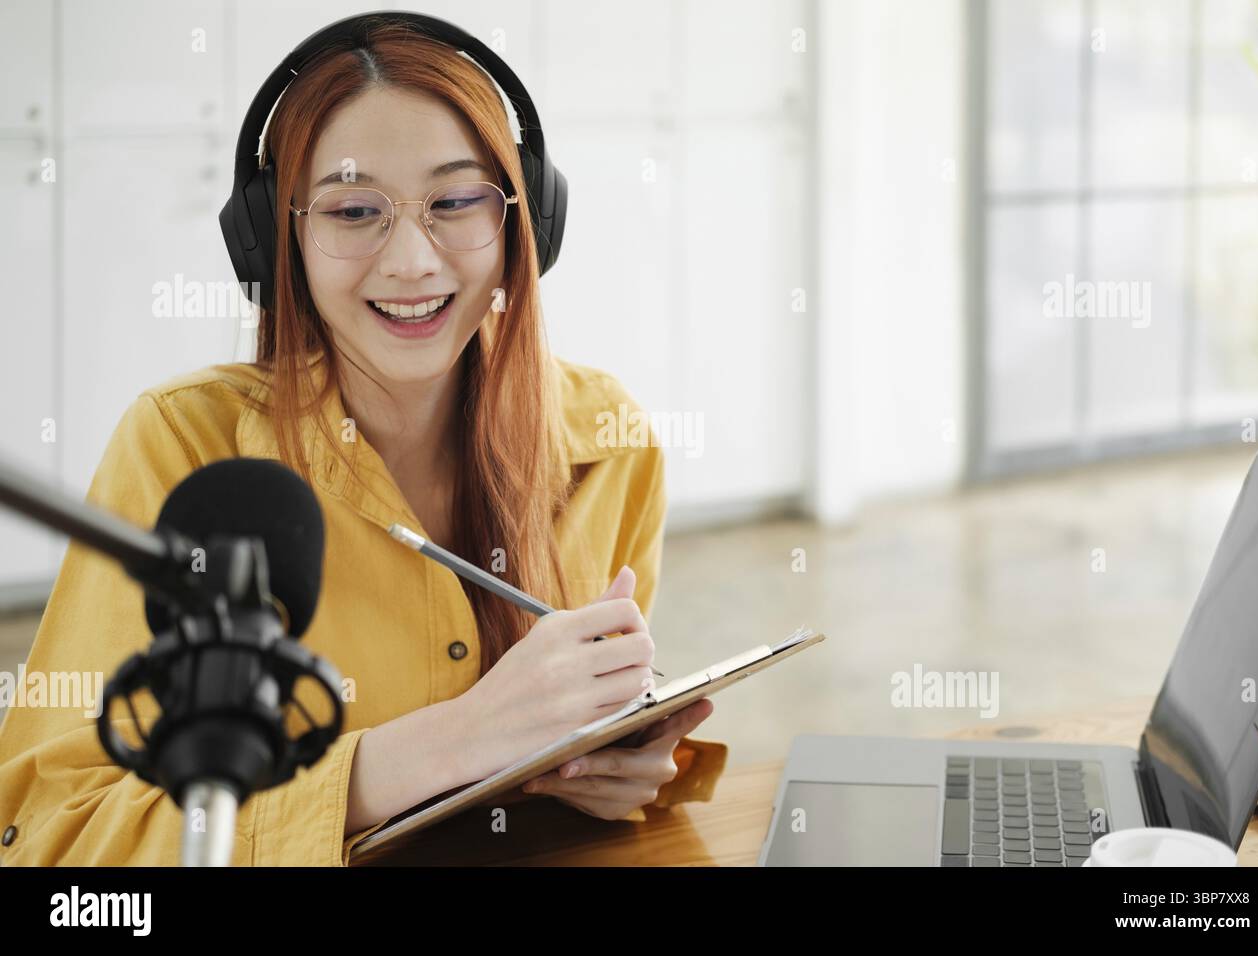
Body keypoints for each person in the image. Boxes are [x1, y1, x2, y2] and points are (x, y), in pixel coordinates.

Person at [0, 20, 725, 866]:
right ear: (278, 239)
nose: (414, 261)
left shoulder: (611, 440)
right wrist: (436, 750)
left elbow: (606, 741)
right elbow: (48, 839)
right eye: (353, 211)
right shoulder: (185, 449)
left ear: (524, 219)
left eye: (456, 201)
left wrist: (630, 765)